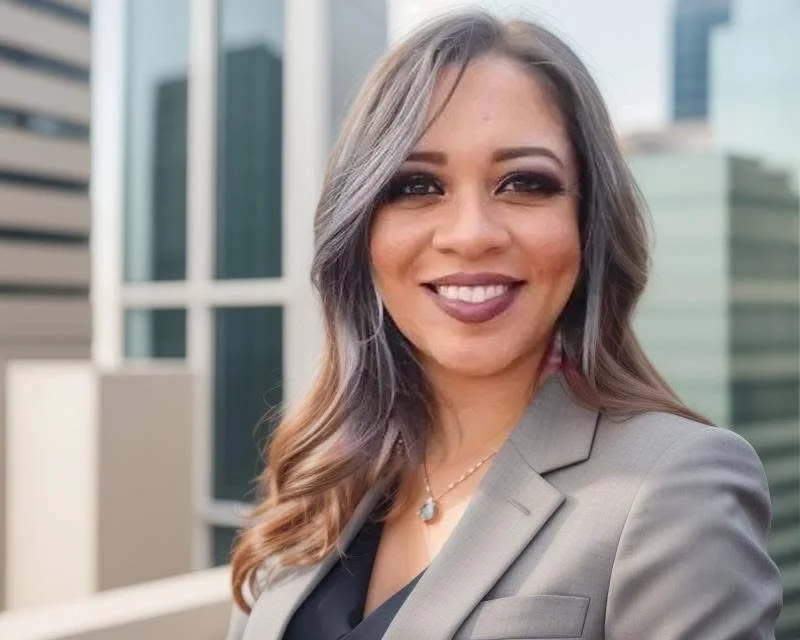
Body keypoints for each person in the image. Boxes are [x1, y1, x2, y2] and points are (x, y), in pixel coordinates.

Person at [225, 9, 782, 640]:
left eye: (524, 183)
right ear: (362, 228)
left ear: (588, 222)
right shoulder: (322, 478)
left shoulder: (674, 485)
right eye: (415, 185)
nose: (471, 235)